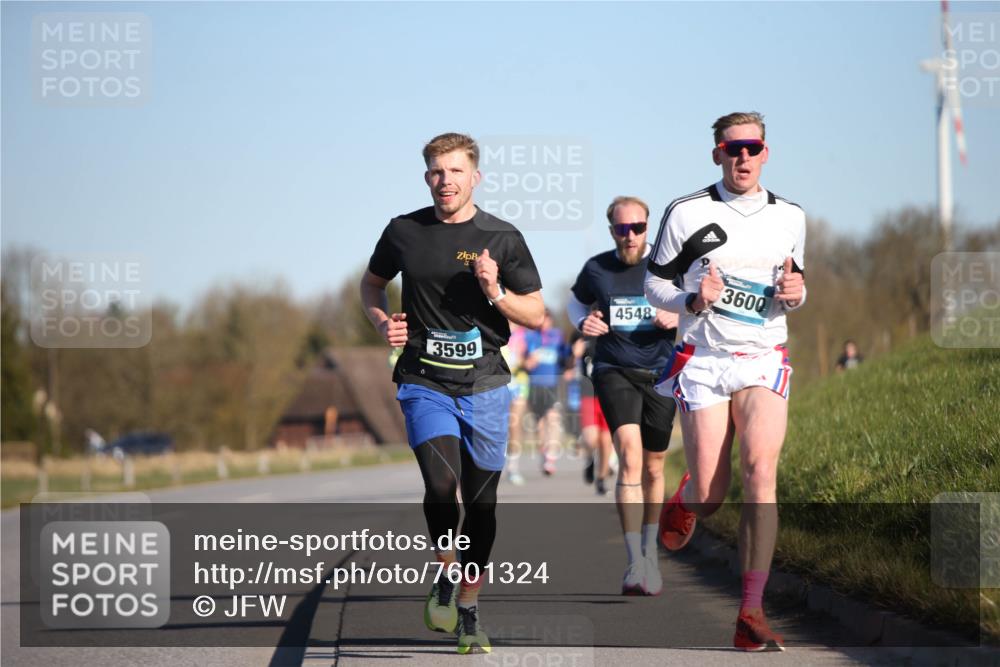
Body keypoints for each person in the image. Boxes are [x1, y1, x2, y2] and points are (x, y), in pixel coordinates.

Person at [361, 132, 545, 654]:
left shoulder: (502, 237)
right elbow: (371, 284)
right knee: (441, 485)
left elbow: (536, 312)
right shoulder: (404, 231)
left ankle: (466, 605)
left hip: (485, 383)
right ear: (427, 178)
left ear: (475, 177)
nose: (446, 181)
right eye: (437, 172)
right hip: (424, 381)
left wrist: (495, 291)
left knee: (482, 509)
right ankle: (444, 569)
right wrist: (381, 323)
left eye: (456, 171)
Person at [644, 112, 806, 651]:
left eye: (752, 148)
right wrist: (693, 299)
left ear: (766, 153)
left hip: (762, 356)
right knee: (715, 495)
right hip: (706, 360)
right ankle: (690, 498)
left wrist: (795, 294)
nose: (742, 157)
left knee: (761, 471)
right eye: (732, 148)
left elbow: (794, 287)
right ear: (717, 153)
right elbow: (654, 285)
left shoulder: (790, 217)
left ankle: (750, 612)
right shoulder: (687, 213)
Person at [568, 195, 679, 596]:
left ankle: (650, 554)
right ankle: (634, 562)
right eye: (621, 228)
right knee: (629, 454)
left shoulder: (668, 267)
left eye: (638, 228)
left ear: (649, 228)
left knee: (654, 466)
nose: (630, 235)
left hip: (662, 373)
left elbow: (700, 305)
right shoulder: (597, 268)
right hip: (614, 368)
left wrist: (680, 312)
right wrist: (583, 321)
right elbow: (574, 301)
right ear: (611, 229)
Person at [568, 332, 614, 495]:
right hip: (587, 393)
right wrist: (575, 355)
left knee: (606, 440)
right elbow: (567, 368)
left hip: (608, 393)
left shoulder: (613, 333)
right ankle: (590, 459)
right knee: (591, 438)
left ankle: (601, 479)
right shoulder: (580, 336)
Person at [522, 310, 566, 476]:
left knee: (553, 418)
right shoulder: (530, 337)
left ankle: (551, 457)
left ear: (551, 321)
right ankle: (544, 453)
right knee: (540, 424)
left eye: (546, 320)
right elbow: (524, 363)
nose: (543, 323)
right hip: (535, 385)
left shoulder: (557, 336)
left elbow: (565, 357)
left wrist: (569, 366)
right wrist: (528, 362)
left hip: (551, 385)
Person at [503, 323, 530, 485]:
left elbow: (530, 358)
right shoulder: (495, 325)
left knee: (514, 425)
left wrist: (525, 360)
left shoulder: (523, 333)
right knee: (497, 425)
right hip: (499, 382)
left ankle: (513, 467)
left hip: (519, 382)